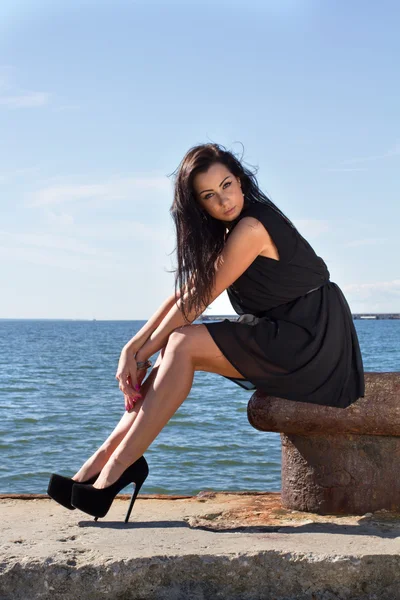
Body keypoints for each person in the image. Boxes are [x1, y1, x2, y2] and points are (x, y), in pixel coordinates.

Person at [47, 142, 365, 521]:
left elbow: (195, 303)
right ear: (198, 205)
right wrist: (132, 348)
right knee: (176, 346)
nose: (223, 200)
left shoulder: (251, 227)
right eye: (209, 196)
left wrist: (142, 355)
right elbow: (183, 294)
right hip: (284, 332)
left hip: (312, 339)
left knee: (181, 342)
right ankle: (101, 464)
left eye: (227, 185)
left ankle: (114, 471)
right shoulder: (229, 230)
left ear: (241, 181)